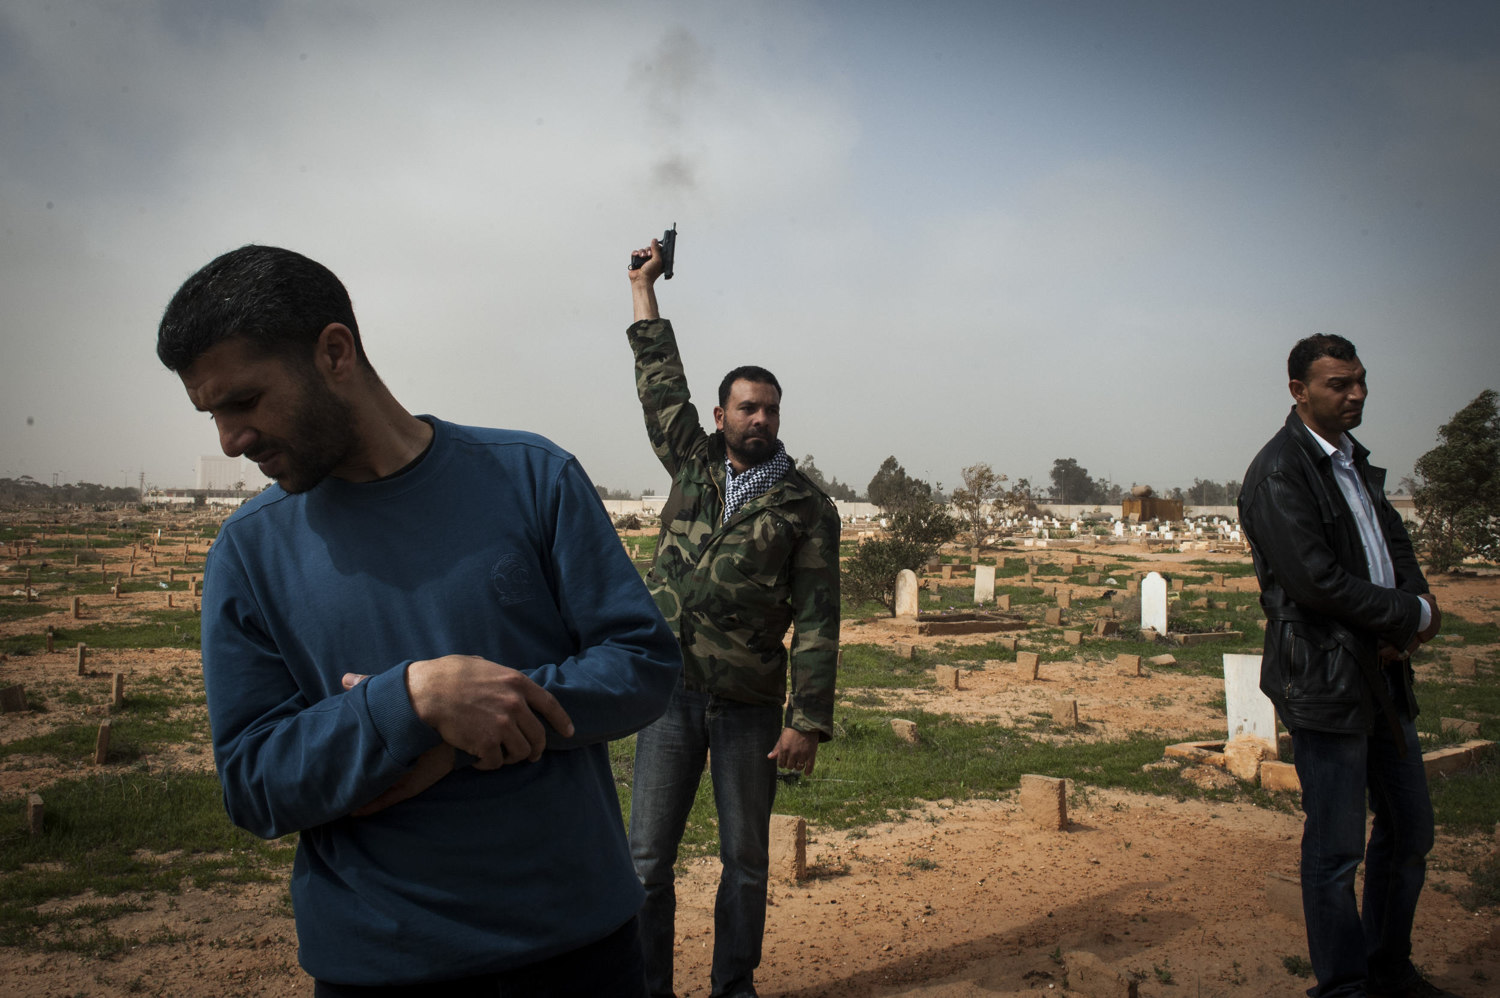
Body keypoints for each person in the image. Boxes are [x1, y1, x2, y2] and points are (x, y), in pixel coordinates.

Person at [156, 244, 681, 996]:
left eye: (243, 402)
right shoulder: (248, 553)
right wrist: (411, 702)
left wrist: (474, 721)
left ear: (334, 352)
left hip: (578, 948)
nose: (230, 440)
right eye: (211, 415)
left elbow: (641, 664)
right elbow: (253, 782)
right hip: (379, 967)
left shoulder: (532, 477)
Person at [623, 238, 841, 998]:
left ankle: (734, 986)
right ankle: (648, 986)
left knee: (745, 862)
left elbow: (818, 616)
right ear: (720, 415)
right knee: (646, 862)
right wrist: (643, 287)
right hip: (668, 695)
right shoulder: (691, 460)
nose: (760, 417)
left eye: (771, 408)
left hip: (750, 705)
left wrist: (806, 719)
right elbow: (659, 381)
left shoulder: (807, 506)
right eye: (747, 407)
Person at [1238, 334, 1457, 998]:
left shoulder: (1354, 463)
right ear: (1299, 392)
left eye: (1361, 380)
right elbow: (1316, 582)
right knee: (1336, 851)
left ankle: (1389, 967)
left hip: (1382, 675)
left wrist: (1418, 606)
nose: (1356, 393)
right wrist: (1404, 617)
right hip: (1326, 680)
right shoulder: (1280, 473)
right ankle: (1344, 986)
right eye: (1339, 384)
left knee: (1409, 829)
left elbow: (1395, 543)